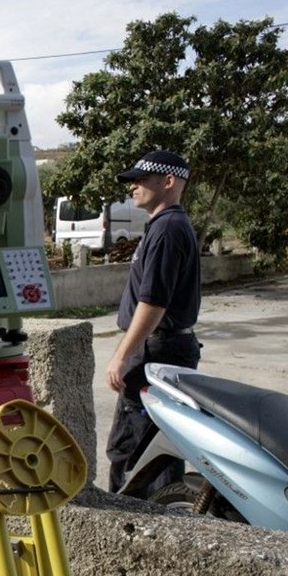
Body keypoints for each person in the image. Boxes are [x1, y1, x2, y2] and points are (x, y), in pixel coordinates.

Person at [105, 150, 201, 497]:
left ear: (169, 181)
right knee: (157, 453)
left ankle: (136, 523)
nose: (133, 186)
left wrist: (121, 356)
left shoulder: (167, 229)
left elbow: (153, 303)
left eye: (142, 180)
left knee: (134, 454)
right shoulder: (169, 226)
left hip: (156, 351)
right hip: (166, 348)